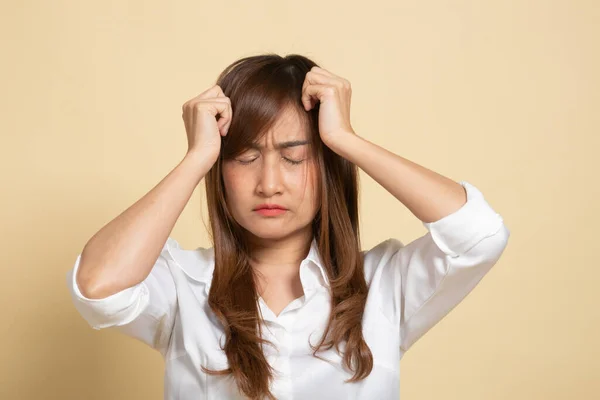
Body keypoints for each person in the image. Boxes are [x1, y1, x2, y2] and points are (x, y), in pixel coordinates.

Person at [66, 54, 510, 400]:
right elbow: (98, 287)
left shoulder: (384, 284)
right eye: (245, 157)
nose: (270, 184)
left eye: (295, 157)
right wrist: (196, 158)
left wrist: (345, 140)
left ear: (327, 168)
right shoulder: (183, 284)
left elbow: (479, 234)